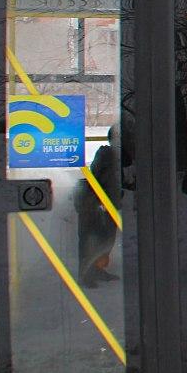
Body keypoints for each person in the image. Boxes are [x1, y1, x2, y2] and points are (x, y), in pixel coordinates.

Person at [74, 122, 133, 288]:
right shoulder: (107, 154)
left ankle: (97, 269)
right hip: (97, 205)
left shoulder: (120, 156)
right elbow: (97, 178)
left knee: (106, 240)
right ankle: (86, 275)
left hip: (109, 205)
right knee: (92, 240)